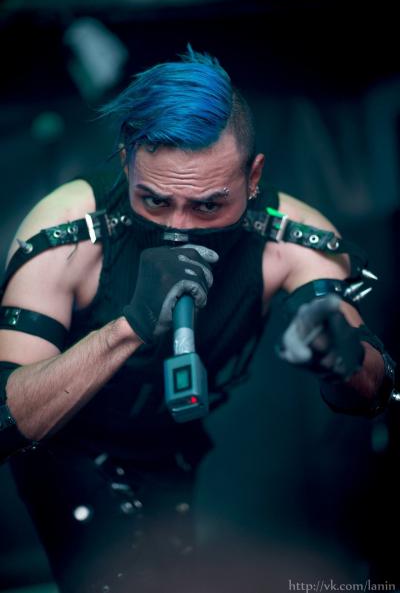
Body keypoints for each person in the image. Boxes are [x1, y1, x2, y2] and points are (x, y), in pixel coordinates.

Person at [0, 47, 396, 592]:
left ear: (253, 177)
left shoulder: (291, 238)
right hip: (65, 448)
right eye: (154, 201)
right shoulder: (67, 232)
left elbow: (377, 390)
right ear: (127, 162)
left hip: (173, 448)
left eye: (208, 205)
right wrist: (130, 326)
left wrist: (343, 357)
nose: (179, 227)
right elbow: (6, 418)